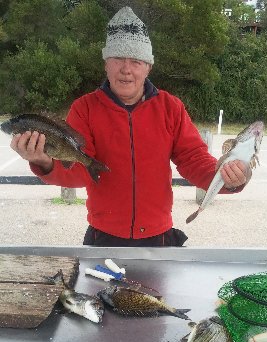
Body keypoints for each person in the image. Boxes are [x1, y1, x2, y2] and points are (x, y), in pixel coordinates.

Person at [10, 6, 251, 247]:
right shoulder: (85, 108)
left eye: (136, 61)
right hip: (102, 237)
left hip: (159, 236)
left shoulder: (171, 107)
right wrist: (44, 162)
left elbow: (194, 159)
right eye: (117, 59)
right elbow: (78, 171)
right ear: (106, 64)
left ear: (148, 67)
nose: (126, 69)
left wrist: (230, 177)